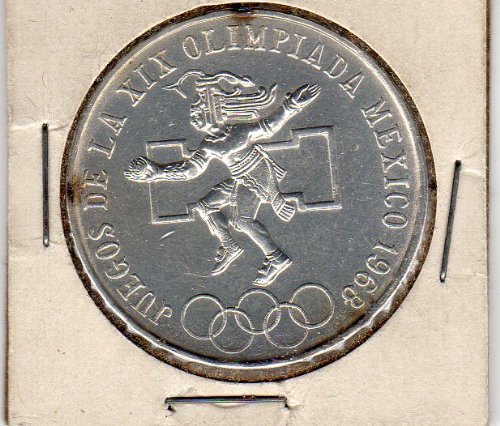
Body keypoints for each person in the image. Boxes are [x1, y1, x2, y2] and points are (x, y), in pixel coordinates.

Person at [125, 71, 321, 286]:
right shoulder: (208, 144)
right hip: (240, 178)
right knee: (205, 205)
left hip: (257, 176)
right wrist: (158, 172)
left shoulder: (239, 130)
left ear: (212, 112)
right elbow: (191, 170)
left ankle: (277, 259)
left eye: (197, 111)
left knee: (242, 221)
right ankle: (230, 246)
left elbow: (270, 126)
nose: (194, 116)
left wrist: (292, 105)